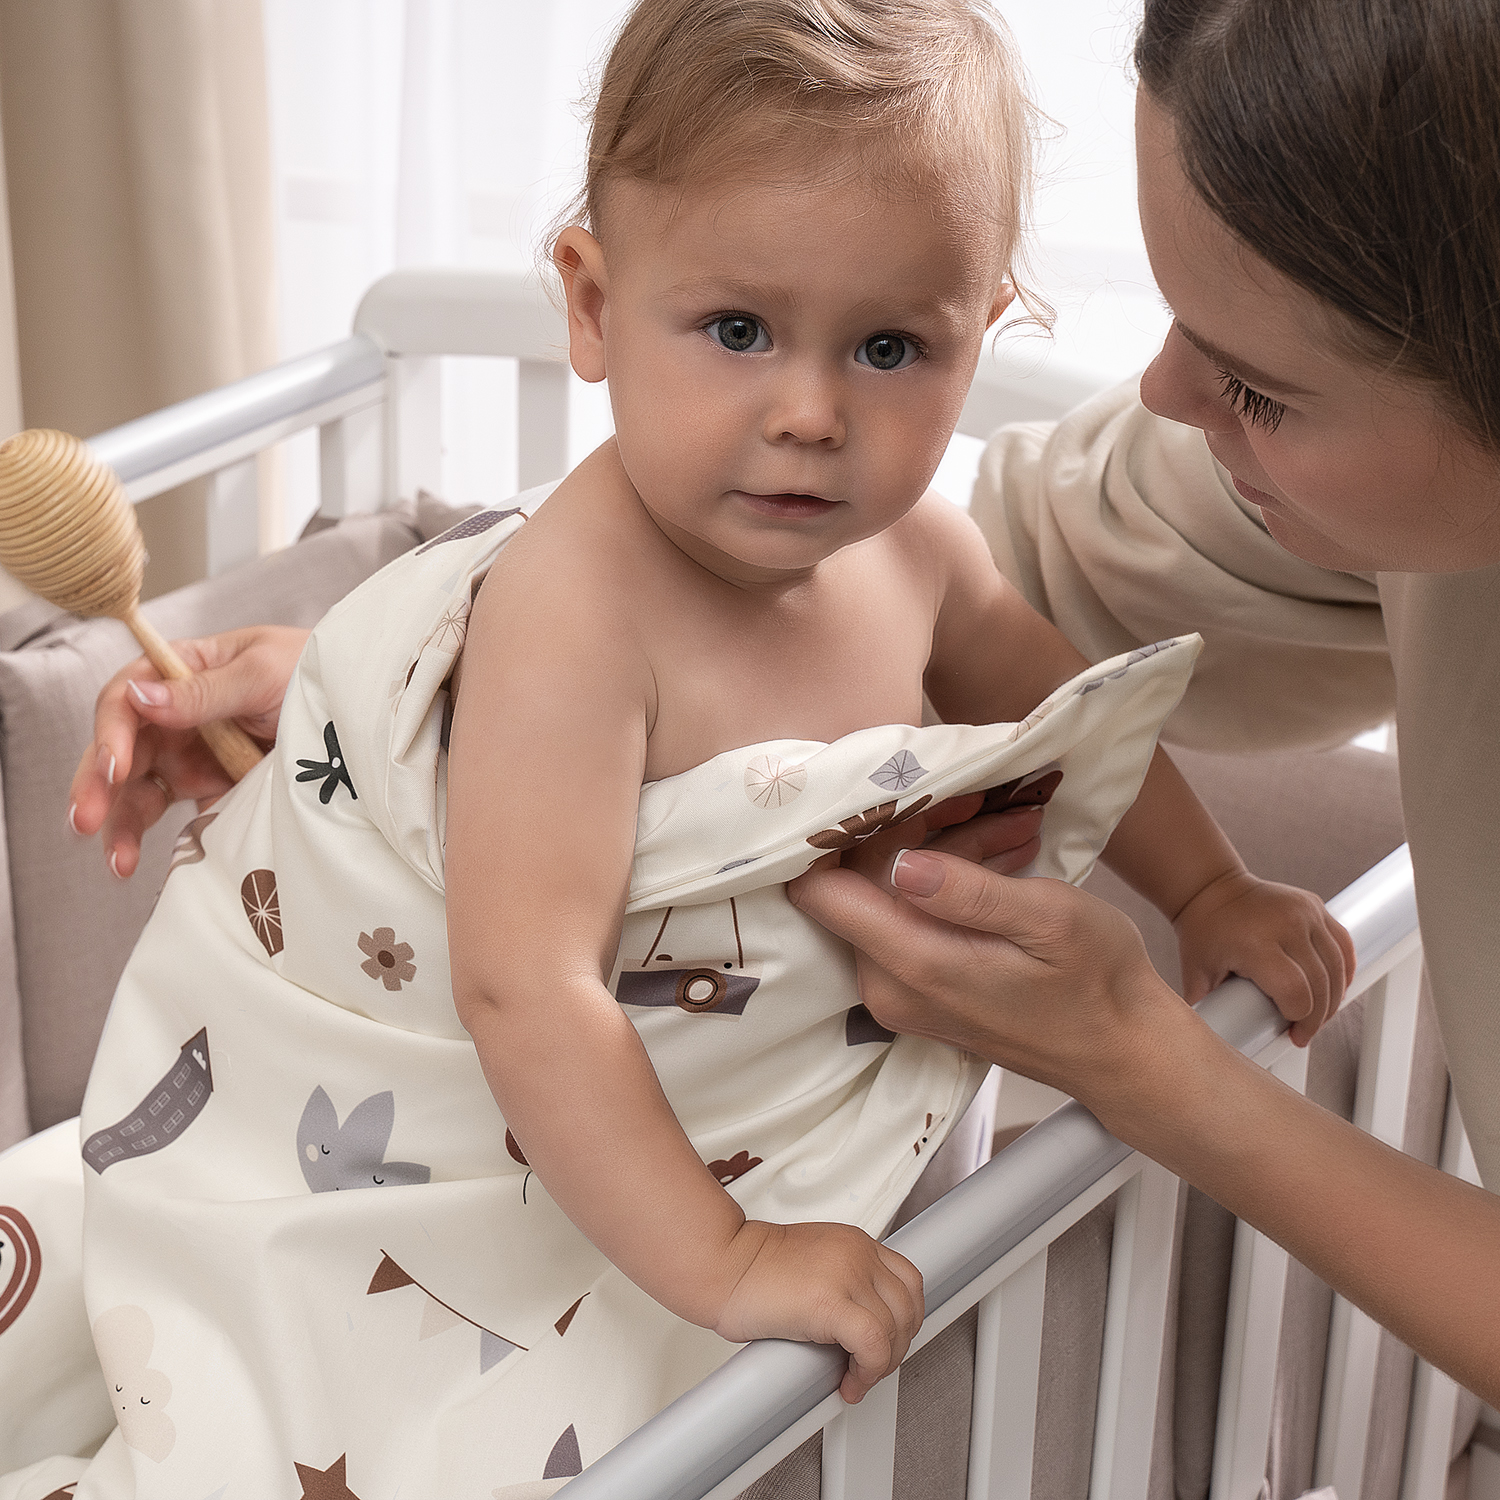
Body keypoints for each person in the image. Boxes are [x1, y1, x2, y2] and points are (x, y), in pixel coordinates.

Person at [69, 0, 1500, 1428]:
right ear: (588, 301)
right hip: (517, 1148)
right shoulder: (571, 622)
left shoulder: (919, 548)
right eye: (739, 330)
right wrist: (727, 1257)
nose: (811, 414)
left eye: (890, 351)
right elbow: (526, 989)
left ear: (981, 330)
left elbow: (1065, 711)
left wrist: (1210, 890)